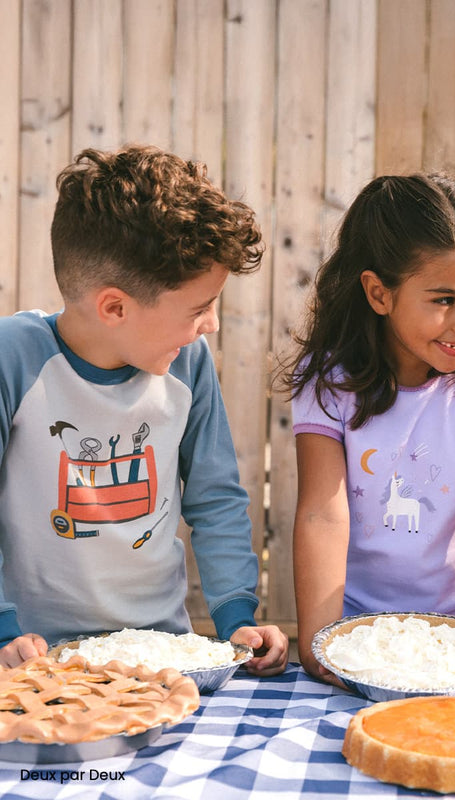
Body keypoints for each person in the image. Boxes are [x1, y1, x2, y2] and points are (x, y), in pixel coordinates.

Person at [0, 144, 288, 676]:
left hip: (159, 656)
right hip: (33, 662)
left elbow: (215, 498)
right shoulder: (12, 358)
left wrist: (235, 615)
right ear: (114, 307)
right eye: (199, 309)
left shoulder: (187, 364)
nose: (212, 325)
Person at [287, 172, 455, 685]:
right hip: (354, 632)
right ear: (378, 293)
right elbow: (322, 516)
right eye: (444, 300)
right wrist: (320, 645)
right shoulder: (328, 383)